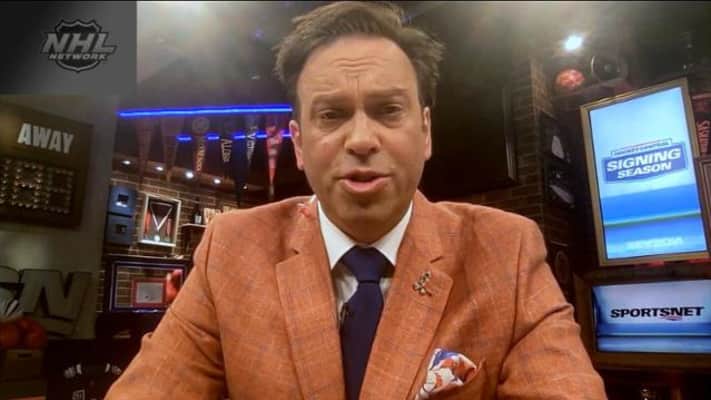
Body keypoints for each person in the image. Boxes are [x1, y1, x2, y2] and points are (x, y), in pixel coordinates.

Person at [105, 2, 606, 399]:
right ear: (299, 144)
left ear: (425, 132)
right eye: (331, 115)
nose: (362, 139)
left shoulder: (506, 252)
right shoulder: (232, 250)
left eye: (388, 110)